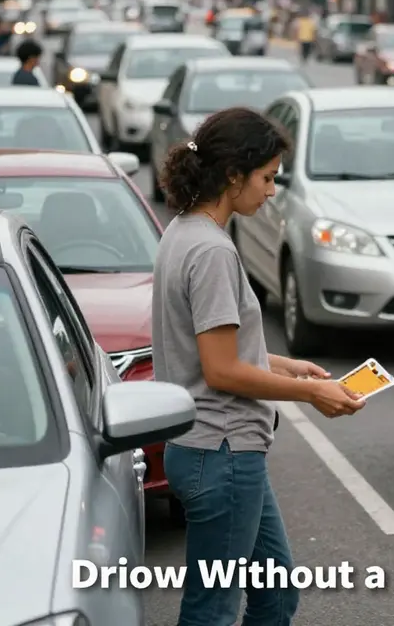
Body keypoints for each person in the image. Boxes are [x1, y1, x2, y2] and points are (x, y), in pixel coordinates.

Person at [152, 108, 365, 626]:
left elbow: (212, 347)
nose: (271, 191)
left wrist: (288, 367)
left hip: (216, 450)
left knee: (275, 596)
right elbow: (222, 371)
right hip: (220, 451)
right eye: (267, 177)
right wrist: (313, 395)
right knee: (214, 609)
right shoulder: (212, 251)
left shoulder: (182, 231)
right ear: (232, 174)